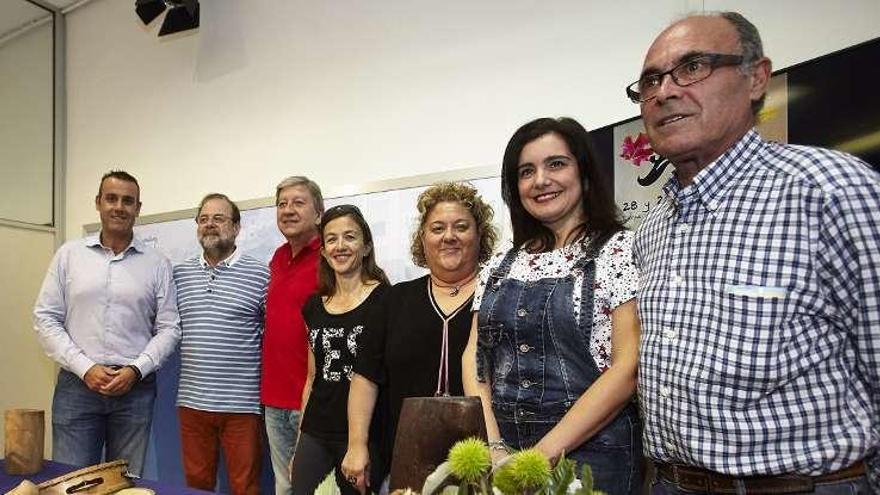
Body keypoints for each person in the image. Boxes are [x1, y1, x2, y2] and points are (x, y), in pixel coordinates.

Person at [628, 12, 880, 494]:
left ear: (756, 78)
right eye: (651, 81)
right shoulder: (653, 228)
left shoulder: (831, 191)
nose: (664, 92)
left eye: (693, 66)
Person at [462, 118, 643, 495]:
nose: (540, 180)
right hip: (503, 449)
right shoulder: (499, 262)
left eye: (556, 164)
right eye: (526, 171)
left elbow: (627, 368)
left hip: (593, 454)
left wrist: (540, 456)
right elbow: (474, 359)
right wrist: (495, 449)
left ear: (584, 172)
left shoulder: (619, 250)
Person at [341, 182, 498, 494]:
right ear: (423, 239)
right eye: (437, 228)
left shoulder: (500, 296)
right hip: (406, 464)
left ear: (479, 234)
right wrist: (356, 444)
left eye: (462, 226)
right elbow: (365, 379)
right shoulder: (392, 301)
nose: (449, 236)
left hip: (485, 462)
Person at [33, 170, 180, 476]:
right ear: (98, 203)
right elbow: (45, 317)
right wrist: (85, 368)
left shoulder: (157, 264)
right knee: (71, 482)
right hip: (77, 387)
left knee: (124, 483)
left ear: (138, 209)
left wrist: (136, 369)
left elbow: (169, 328)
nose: (119, 207)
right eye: (111, 198)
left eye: (128, 201)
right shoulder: (68, 256)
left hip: (135, 390)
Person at [290, 204, 390, 495]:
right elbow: (312, 377)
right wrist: (299, 445)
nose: (340, 246)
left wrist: (364, 445)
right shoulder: (313, 306)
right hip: (316, 432)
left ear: (366, 245)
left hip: (365, 436)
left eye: (350, 237)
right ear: (323, 250)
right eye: (331, 239)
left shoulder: (386, 300)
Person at [173, 193, 269, 495]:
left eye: (219, 218)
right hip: (192, 403)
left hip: (242, 406)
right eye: (203, 219)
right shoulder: (179, 274)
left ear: (237, 227)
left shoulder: (261, 274)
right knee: (196, 486)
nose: (210, 225)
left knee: (245, 487)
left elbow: (275, 335)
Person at [262, 176, 324, 495]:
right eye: (282, 204)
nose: (288, 210)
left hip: (313, 399)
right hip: (274, 399)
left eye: (298, 203)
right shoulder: (277, 258)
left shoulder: (332, 258)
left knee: (315, 487)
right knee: (284, 486)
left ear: (318, 213)